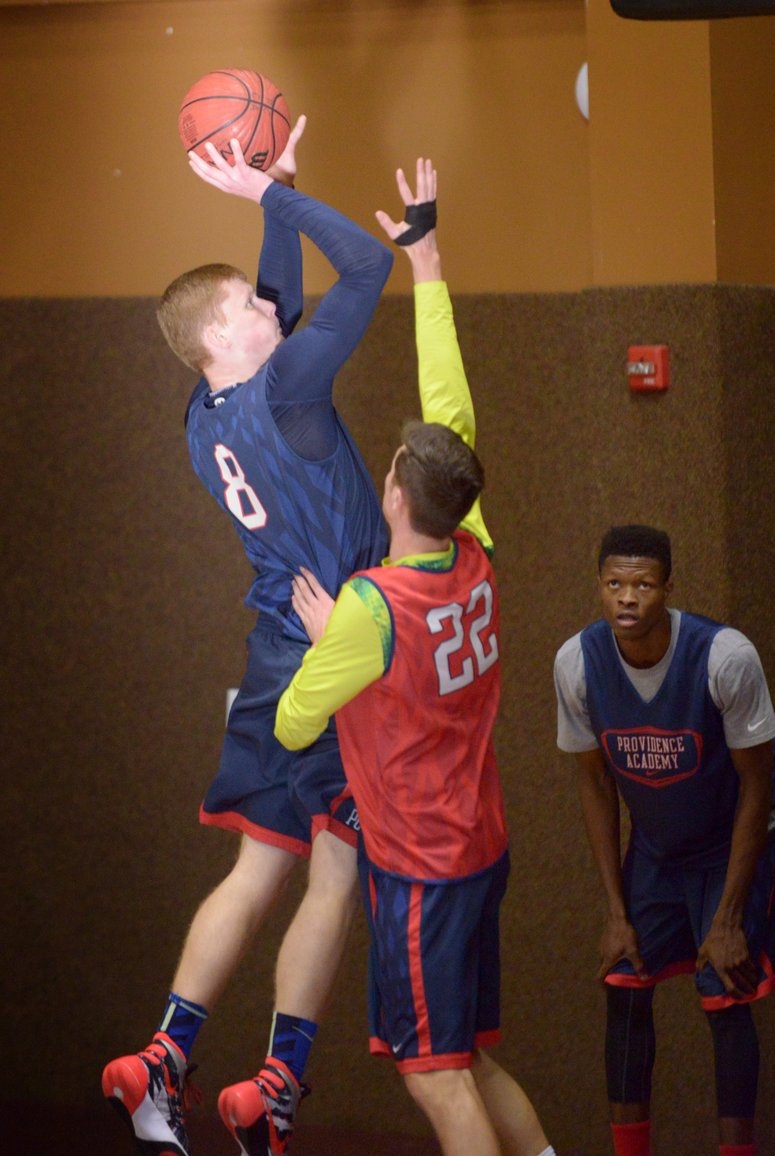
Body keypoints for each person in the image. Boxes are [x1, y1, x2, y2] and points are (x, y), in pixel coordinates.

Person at [102, 118, 394, 1156]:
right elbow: (364, 262)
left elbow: (286, 302)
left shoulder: (203, 413)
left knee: (253, 869)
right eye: (247, 306)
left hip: (269, 653)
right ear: (220, 339)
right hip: (335, 648)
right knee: (332, 870)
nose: (268, 308)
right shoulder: (293, 390)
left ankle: (164, 1055)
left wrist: (280, 183)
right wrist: (268, 200)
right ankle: (276, 1082)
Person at [275, 158, 556, 1156]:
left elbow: (294, 721)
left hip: (423, 870)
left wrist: (324, 648)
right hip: (480, 846)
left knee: (432, 1073)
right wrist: (426, 260)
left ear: (392, 492)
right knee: (469, 1058)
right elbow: (452, 404)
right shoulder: (471, 551)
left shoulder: (368, 606)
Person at [554, 524, 775, 1156]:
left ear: (668, 589)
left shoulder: (724, 656)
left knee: (725, 986)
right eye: (613, 584)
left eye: (643, 584)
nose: (627, 598)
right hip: (658, 846)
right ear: (598, 588)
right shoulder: (577, 663)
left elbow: (757, 789)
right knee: (623, 979)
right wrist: (615, 912)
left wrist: (729, 914)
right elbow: (596, 787)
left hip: (729, 833)